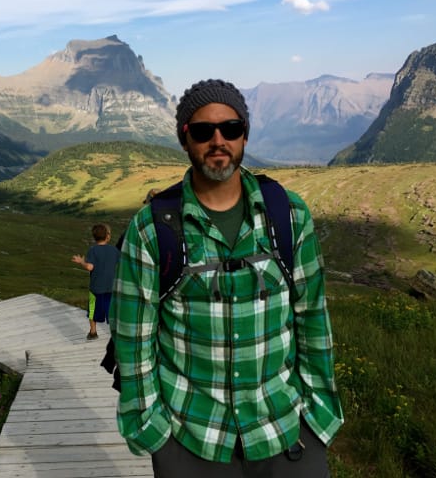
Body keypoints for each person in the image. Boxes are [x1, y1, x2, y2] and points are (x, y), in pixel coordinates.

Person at [110, 79, 343, 477]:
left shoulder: (289, 215)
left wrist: (319, 414)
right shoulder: (151, 229)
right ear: (185, 140)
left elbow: (312, 317)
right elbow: (134, 341)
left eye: (230, 129)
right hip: (190, 437)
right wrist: (153, 433)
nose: (218, 140)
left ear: (245, 135)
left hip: (286, 429)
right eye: (203, 131)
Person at [71, 223, 120, 340]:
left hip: (96, 288)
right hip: (112, 287)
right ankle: (116, 334)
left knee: (93, 310)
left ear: (94, 237)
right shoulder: (114, 250)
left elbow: (89, 267)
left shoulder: (93, 250)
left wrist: (81, 262)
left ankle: (93, 333)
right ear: (107, 236)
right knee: (113, 311)